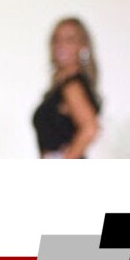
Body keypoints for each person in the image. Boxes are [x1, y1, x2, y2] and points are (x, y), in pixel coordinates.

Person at [32, 16, 102, 158]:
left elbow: (90, 128)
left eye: (69, 40)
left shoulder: (72, 86)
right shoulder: (63, 86)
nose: (61, 45)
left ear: (82, 46)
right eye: (56, 39)